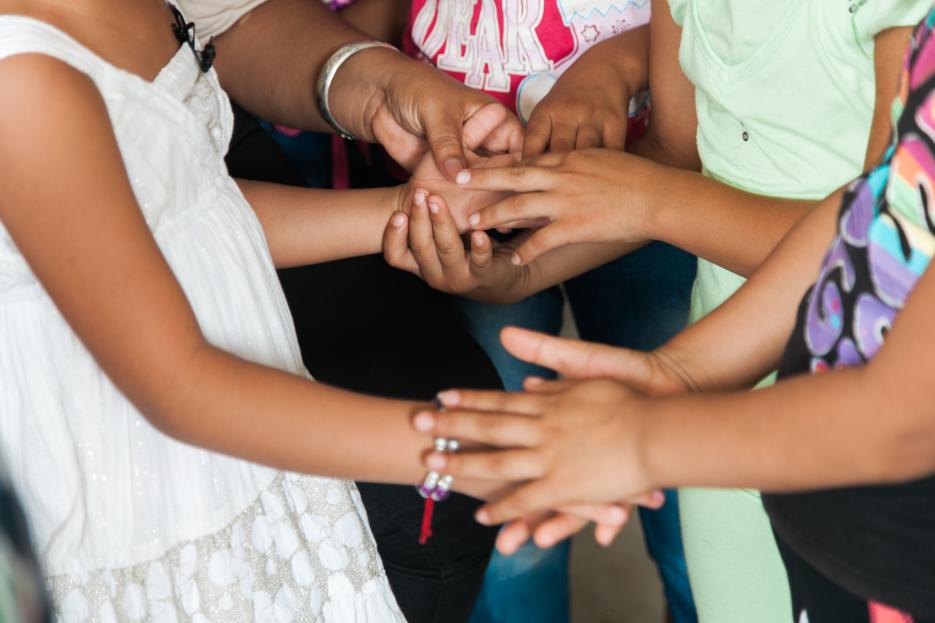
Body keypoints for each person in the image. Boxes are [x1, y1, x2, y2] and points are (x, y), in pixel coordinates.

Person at [0, 2, 626, 621]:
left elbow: (188, 213)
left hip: (237, 468)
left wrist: (412, 209)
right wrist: (486, 453)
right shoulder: (21, 85)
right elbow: (180, 390)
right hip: (143, 493)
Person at [384, 0, 931, 619]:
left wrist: (655, 205)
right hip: (725, 370)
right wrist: (523, 272)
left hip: (871, 446)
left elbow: (887, 256)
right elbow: (866, 216)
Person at [400, 3, 698, 620]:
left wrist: (614, 65)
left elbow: (705, 30)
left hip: (650, 182)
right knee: (510, 494)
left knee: (687, 479)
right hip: (466, 204)